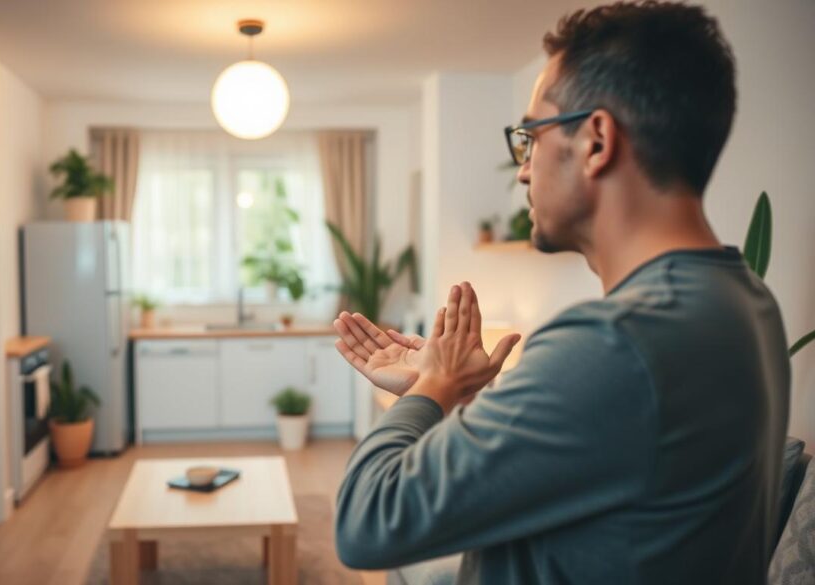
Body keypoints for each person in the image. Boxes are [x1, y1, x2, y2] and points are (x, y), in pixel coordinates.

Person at [332, 2, 790, 584]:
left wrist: (432, 387)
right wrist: (463, 394)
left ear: (596, 141)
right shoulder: (746, 301)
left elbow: (367, 523)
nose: (523, 171)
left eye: (531, 137)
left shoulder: (612, 344)